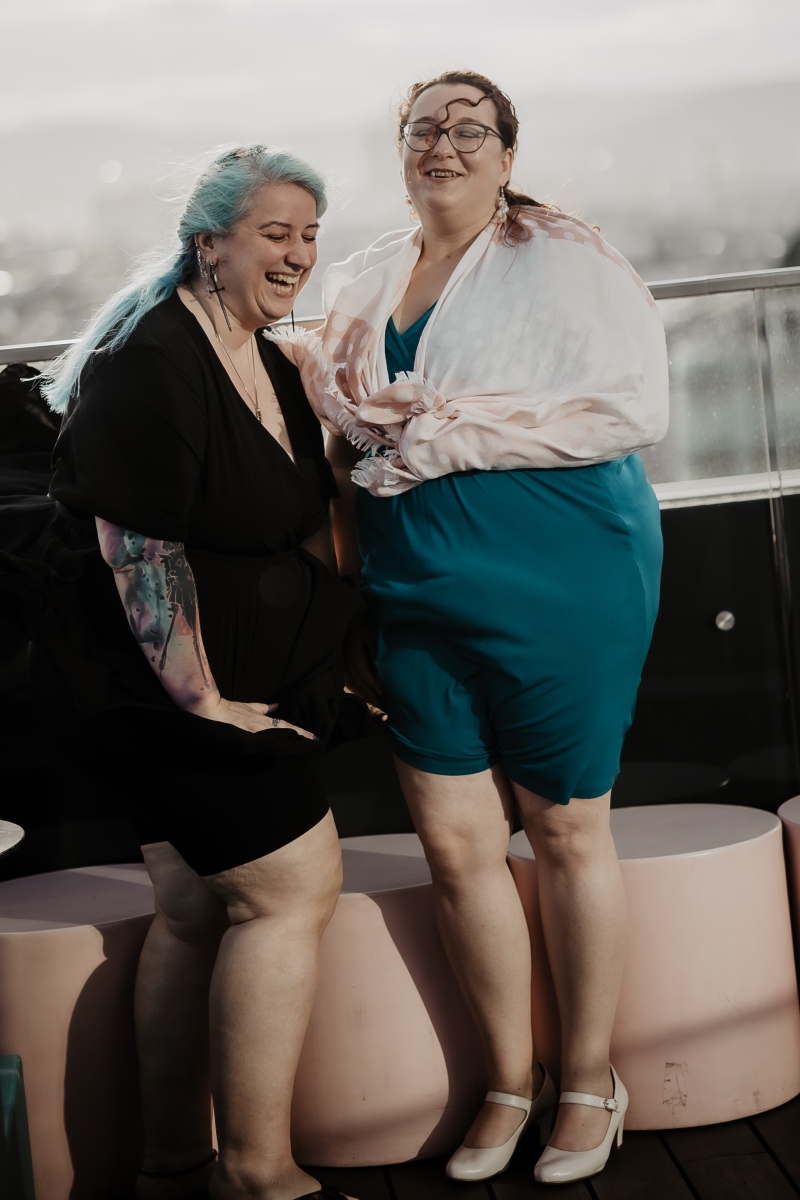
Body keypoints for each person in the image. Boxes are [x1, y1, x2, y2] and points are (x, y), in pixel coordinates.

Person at [275, 72, 668, 1187]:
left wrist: (450, 426)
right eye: (422, 127)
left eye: (468, 128)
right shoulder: (361, 276)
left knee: (564, 831)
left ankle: (587, 1080)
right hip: (411, 585)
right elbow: (340, 439)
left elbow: (631, 405)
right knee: (454, 846)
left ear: (506, 153)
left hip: (562, 574)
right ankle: (508, 1080)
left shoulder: (564, 257)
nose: (441, 144)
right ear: (399, 148)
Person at [31, 146, 364, 1200]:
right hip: (166, 697)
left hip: (202, 690)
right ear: (209, 242)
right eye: (275, 233)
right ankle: (259, 1177)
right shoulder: (152, 360)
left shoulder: (258, 352)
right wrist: (207, 706)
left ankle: (174, 1160)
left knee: (191, 907)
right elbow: (140, 556)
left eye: (309, 235)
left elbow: (295, 514)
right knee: (291, 889)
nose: (298, 254)